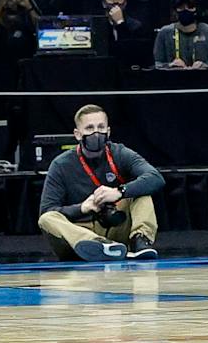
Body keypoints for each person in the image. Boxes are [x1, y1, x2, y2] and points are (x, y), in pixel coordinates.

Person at [37, 104, 164, 259]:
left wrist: (119, 192)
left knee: (142, 193)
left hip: (115, 227)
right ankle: (96, 245)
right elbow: (47, 210)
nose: (96, 133)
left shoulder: (120, 153)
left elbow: (155, 177)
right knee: (47, 219)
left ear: (108, 131)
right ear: (77, 134)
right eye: (89, 128)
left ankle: (140, 240)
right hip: (79, 232)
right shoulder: (60, 165)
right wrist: (82, 208)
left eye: (101, 127)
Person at [154, 0, 208, 67]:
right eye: (181, 7)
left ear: (196, 10)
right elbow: (156, 63)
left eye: (190, 7)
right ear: (175, 11)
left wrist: (207, 66)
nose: (185, 10)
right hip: (174, 77)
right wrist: (169, 65)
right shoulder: (165, 32)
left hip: (205, 77)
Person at [99, 0, 144, 66]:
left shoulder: (136, 26)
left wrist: (120, 23)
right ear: (104, 3)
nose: (116, 1)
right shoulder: (98, 26)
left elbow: (131, 54)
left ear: (125, 3)